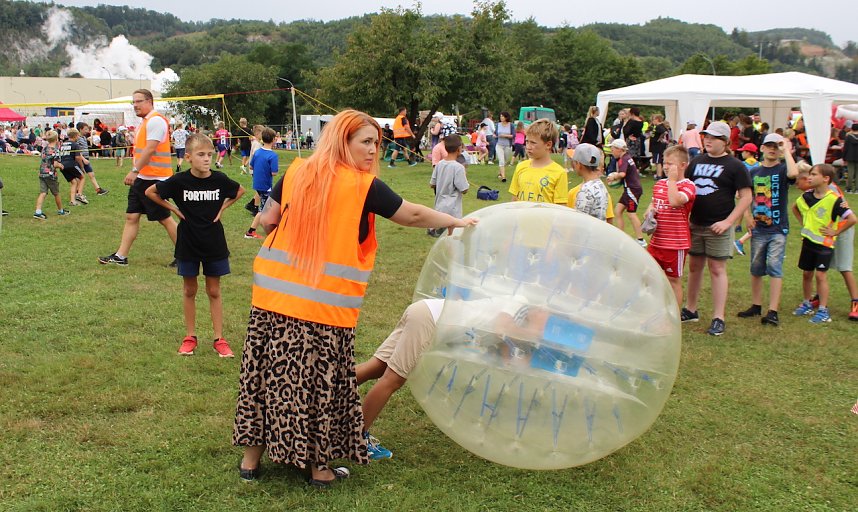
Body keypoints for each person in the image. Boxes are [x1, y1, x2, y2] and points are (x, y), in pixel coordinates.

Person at [232, 109, 478, 487]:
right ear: (341, 141)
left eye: (376, 143)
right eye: (365, 142)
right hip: (323, 306)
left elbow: (268, 220)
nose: (372, 150)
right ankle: (319, 469)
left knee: (265, 375)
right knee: (320, 383)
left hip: (272, 296)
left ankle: (251, 462)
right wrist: (456, 221)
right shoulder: (363, 186)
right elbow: (410, 215)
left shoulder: (297, 171)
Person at [354, 296, 546, 460]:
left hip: (425, 313)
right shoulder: (518, 300)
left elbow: (507, 360)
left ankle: (327, 391)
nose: (543, 319)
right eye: (544, 315)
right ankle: (356, 439)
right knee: (393, 379)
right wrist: (536, 333)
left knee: (378, 367)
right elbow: (501, 328)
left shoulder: (516, 324)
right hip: (429, 318)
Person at [145, 134, 245, 356]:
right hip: (188, 242)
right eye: (201, 155)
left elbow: (240, 191)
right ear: (188, 157)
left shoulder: (219, 179)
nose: (207, 159)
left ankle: (219, 339)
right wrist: (174, 210)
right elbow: (150, 192)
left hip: (214, 243)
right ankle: (190, 336)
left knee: (214, 290)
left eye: (209, 154)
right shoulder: (179, 181)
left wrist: (222, 209)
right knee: (190, 289)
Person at [681, 120, 753, 336]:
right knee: (694, 267)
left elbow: (746, 197)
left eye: (713, 137)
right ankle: (690, 309)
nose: (708, 140)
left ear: (725, 141)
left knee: (717, 269)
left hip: (718, 225)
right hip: (696, 223)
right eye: (706, 136)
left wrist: (728, 222)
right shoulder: (696, 162)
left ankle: (718, 317)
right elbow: (686, 189)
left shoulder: (735, 166)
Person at [99, 89, 177, 267]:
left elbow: (150, 149)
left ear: (150, 101)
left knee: (164, 218)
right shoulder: (145, 121)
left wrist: (134, 170)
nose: (135, 105)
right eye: (133, 102)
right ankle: (121, 256)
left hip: (155, 179)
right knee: (132, 216)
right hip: (143, 177)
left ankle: (185, 255)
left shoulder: (156, 121)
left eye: (139, 101)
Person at [735, 134, 798, 326]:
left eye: (776, 146)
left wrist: (785, 148)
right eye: (769, 146)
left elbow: (794, 174)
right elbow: (744, 196)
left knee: (774, 267)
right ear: (762, 148)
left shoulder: (783, 169)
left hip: (778, 228)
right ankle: (756, 305)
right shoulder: (754, 172)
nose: (773, 149)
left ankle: (773, 310)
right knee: (756, 268)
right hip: (759, 228)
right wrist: (747, 217)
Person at [792, 164, 856, 323]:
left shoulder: (833, 197)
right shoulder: (807, 195)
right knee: (807, 273)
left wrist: (835, 232)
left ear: (825, 179)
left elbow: (851, 218)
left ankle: (850, 303)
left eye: (813, 175)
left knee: (841, 267)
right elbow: (796, 208)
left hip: (830, 238)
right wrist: (805, 224)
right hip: (810, 241)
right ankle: (809, 302)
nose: (809, 178)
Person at [643, 145, 696, 307]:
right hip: (656, 242)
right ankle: (655, 309)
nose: (665, 167)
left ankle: (673, 316)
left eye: (670, 164)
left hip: (675, 244)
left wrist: (672, 181)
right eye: (664, 163)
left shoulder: (688, 186)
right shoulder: (660, 184)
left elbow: (674, 201)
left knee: (673, 280)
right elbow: (653, 203)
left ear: (683, 165)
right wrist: (650, 212)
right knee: (651, 277)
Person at [508, 119, 568, 205]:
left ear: (548, 145)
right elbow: (514, 200)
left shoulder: (559, 173)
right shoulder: (521, 167)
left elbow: (561, 208)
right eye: (527, 142)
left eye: (533, 143)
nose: (528, 147)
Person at [607, 139, 646, 247]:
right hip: (629, 189)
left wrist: (613, 176)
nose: (611, 151)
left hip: (632, 189)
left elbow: (623, 174)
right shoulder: (627, 157)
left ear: (619, 149)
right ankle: (621, 236)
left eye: (613, 148)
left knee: (631, 213)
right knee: (618, 210)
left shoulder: (623, 159)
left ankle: (641, 240)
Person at [428, 135, 469, 237]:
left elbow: (432, 184)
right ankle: (437, 230)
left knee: (440, 223)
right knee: (452, 234)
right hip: (452, 209)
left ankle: (434, 228)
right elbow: (464, 189)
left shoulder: (439, 164)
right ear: (459, 149)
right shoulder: (458, 168)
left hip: (439, 205)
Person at [244, 127, 278, 240]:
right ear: (273, 139)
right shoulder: (273, 156)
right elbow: (274, 173)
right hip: (266, 186)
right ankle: (250, 232)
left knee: (268, 206)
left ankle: (274, 226)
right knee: (263, 210)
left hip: (257, 184)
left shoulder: (258, 152)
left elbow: (251, 166)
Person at [33, 130, 71, 220]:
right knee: (56, 193)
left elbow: (44, 159)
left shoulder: (44, 148)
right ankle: (61, 210)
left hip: (42, 173)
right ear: (57, 139)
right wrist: (61, 165)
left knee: (43, 192)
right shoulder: (56, 150)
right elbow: (55, 164)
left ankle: (38, 212)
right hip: (50, 174)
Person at [567, 143, 609, 222]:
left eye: (574, 162)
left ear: (579, 165)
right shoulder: (600, 185)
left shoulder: (586, 190)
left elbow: (580, 221)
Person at [74, 122, 109, 200]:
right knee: (80, 177)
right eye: (85, 129)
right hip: (81, 160)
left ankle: (98, 189)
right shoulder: (77, 138)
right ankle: (78, 193)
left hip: (86, 159)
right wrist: (83, 159)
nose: (87, 131)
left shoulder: (83, 138)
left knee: (91, 175)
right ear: (80, 129)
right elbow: (77, 151)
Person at [58, 128, 84, 207]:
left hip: (62, 166)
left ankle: (72, 201)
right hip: (71, 164)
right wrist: (82, 167)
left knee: (74, 182)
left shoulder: (63, 144)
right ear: (75, 136)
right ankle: (79, 194)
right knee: (82, 177)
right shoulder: (75, 145)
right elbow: (78, 158)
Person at [495, 111, 514, 182]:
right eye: (500, 116)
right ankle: (503, 177)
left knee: (505, 161)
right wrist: (495, 136)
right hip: (499, 145)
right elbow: (495, 133)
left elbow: (513, 135)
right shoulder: (498, 125)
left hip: (507, 145)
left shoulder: (511, 125)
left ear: (506, 117)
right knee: (501, 160)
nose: (501, 117)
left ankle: (500, 173)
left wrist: (504, 135)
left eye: (502, 116)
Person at [650, 114, 670, 179]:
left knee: (658, 161)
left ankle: (659, 175)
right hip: (655, 146)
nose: (652, 121)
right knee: (657, 161)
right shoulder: (656, 127)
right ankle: (659, 174)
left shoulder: (659, 126)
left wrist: (660, 138)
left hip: (658, 147)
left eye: (653, 119)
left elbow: (664, 132)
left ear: (657, 119)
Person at [843, 121, 858, 194]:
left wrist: (844, 157)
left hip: (850, 156)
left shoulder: (848, 137)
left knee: (850, 173)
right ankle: (857, 189)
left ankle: (849, 188)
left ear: (852, 128)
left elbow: (845, 148)